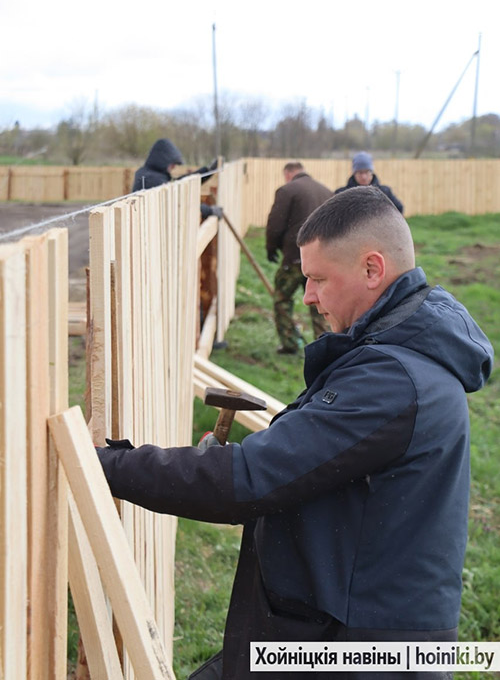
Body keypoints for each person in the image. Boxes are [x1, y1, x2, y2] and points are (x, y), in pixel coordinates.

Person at [96, 186, 493, 680]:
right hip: (339, 628)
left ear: (373, 269)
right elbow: (300, 463)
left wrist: (104, 465)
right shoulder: (390, 357)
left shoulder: (392, 380)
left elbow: (251, 479)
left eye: (318, 279)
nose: (307, 295)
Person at [265, 161, 332, 354]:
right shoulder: (327, 192)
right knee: (320, 304)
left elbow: (275, 224)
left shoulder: (287, 191)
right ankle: (324, 347)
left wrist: (271, 248)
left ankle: (290, 343)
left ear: (288, 174)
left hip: (295, 258)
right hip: (322, 260)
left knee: (282, 300)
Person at [132, 138, 221, 220]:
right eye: (172, 163)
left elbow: (178, 184)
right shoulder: (151, 179)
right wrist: (208, 210)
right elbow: (179, 203)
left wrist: (206, 171)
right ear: (162, 160)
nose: (174, 166)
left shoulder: (152, 174)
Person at [335, 151, 404, 213]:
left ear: (371, 172)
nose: (364, 177)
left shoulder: (385, 192)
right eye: (360, 172)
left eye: (366, 172)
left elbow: (399, 209)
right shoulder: (341, 194)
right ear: (354, 173)